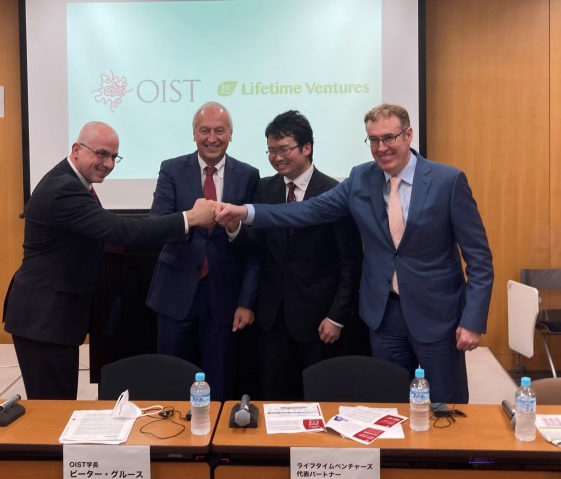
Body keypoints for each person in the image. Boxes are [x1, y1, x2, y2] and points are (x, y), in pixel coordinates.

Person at [216, 104, 494, 404]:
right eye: (373, 140)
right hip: (383, 316)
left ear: (408, 134)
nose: (381, 147)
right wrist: (245, 212)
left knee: (444, 406)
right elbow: (308, 211)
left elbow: (479, 258)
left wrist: (473, 319)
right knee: (390, 404)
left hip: (437, 315)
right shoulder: (361, 178)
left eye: (389, 138)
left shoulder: (447, 182)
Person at [3, 121, 216, 400]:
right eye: (101, 154)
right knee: (50, 409)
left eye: (114, 157)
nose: (108, 163)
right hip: (43, 317)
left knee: (58, 404)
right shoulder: (63, 188)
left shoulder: (73, 181)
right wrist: (190, 218)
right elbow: (120, 231)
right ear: (76, 149)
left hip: (52, 316)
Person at [146, 101, 260, 401]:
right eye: (204, 130)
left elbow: (256, 246)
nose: (212, 138)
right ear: (193, 134)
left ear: (231, 134)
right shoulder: (171, 169)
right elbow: (157, 224)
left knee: (221, 380)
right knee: (169, 377)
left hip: (225, 297)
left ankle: (215, 446)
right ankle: (171, 445)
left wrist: (234, 227)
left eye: (219, 130)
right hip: (175, 292)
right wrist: (191, 219)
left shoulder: (249, 175)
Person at [251, 110, 368, 400]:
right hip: (272, 319)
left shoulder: (334, 192)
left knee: (321, 399)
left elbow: (349, 262)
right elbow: (256, 250)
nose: (277, 157)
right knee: (272, 398)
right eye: (271, 150)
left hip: (319, 321)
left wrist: (337, 317)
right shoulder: (263, 189)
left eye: (284, 149)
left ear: (307, 148)